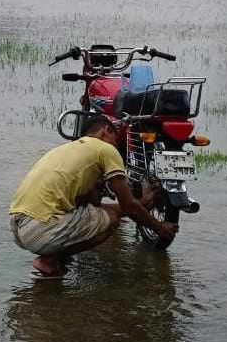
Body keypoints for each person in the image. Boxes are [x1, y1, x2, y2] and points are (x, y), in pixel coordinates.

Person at [10, 116, 177, 279]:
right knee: (111, 221)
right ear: (105, 131)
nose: (116, 144)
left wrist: (135, 203)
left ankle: (52, 255)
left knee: (103, 214)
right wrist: (159, 227)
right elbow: (128, 207)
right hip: (41, 229)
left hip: (19, 227)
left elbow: (91, 205)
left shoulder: (66, 149)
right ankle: (49, 260)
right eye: (115, 138)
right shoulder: (106, 149)